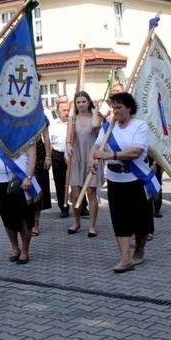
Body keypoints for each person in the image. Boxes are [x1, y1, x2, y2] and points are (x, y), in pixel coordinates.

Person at [91, 92, 156, 273]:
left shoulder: (139, 126)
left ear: (129, 108)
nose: (115, 111)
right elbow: (96, 146)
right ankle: (125, 259)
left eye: (119, 107)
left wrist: (111, 155)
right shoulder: (107, 127)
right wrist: (92, 158)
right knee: (120, 219)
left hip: (136, 179)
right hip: (115, 179)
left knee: (141, 223)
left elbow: (136, 151)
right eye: (113, 107)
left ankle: (139, 250)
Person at [0, 141, 38, 265]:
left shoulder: (25, 129)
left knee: (25, 216)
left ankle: (25, 251)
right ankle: (15, 248)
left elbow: (33, 155)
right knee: (7, 216)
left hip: (20, 180)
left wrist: (28, 177)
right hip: (0, 181)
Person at [67, 91, 102, 237]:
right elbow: (68, 136)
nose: (81, 105)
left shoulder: (96, 117)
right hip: (76, 157)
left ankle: (92, 226)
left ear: (88, 102)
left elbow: (95, 126)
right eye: (78, 102)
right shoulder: (72, 118)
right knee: (76, 194)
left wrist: (94, 112)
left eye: (83, 101)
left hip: (91, 157)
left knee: (91, 192)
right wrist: (68, 144)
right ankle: (76, 222)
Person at [50, 101, 70, 217]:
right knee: (60, 182)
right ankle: (63, 207)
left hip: (72, 155)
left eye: (68, 110)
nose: (66, 113)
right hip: (58, 155)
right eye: (64, 110)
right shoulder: (53, 125)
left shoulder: (73, 123)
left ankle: (82, 206)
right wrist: (49, 157)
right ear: (58, 111)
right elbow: (49, 141)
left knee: (76, 181)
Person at [32, 120, 52, 236]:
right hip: (22, 151)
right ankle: (25, 221)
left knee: (38, 186)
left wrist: (48, 157)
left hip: (39, 151)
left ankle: (35, 223)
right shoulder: (18, 113)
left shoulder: (41, 117)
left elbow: (46, 136)